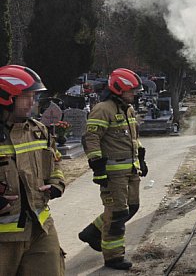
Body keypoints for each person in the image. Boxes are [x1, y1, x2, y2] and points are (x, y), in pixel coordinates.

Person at [77, 68, 148, 270]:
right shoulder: (103, 109)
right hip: (113, 173)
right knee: (117, 214)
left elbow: (133, 137)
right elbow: (91, 138)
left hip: (131, 169)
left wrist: (140, 157)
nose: (135, 94)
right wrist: (97, 167)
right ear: (119, 89)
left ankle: (92, 232)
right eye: (131, 90)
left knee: (131, 207)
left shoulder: (128, 109)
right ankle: (113, 257)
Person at [0, 65, 66, 276]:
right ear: (6, 97)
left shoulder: (39, 131)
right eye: (26, 96)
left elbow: (54, 162)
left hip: (40, 228)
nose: (32, 102)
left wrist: (56, 184)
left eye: (34, 96)